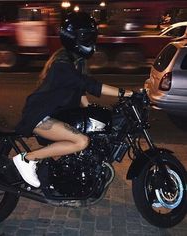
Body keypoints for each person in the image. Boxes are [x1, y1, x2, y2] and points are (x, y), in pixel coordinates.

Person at [13, 12, 133, 188]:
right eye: (88, 37)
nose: (92, 42)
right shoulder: (62, 64)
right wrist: (127, 93)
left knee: (88, 131)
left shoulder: (76, 60)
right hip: (40, 116)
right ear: (75, 38)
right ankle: (27, 158)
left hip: (54, 113)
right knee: (81, 141)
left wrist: (90, 107)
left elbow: (79, 89)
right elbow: (89, 85)